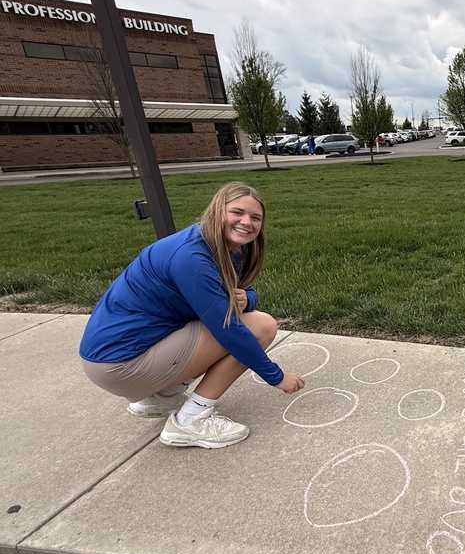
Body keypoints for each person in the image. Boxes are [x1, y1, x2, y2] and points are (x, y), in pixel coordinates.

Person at [79, 182, 305, 449]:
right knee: (261, 327)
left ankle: (162, 397)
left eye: (255, 217)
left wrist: (248, 299)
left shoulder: (213, 246)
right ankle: (189, 421)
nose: (247, 222)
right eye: (237, 212)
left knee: (247, 319)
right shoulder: (192, 258)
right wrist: (276, 377)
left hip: (111, 358)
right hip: (120, 365)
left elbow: (242, 292)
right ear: (217, 211)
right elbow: (229, 331)